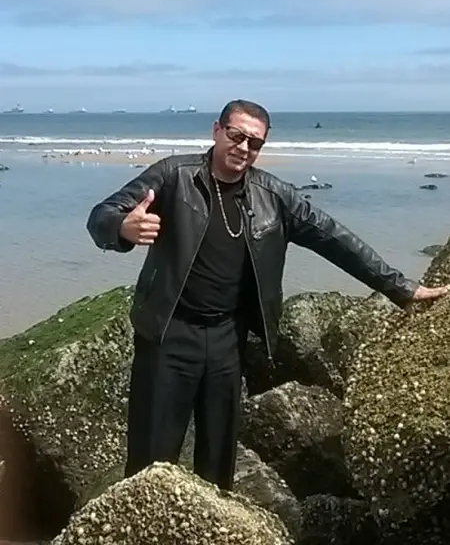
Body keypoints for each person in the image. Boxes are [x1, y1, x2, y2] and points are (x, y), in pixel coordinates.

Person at [86, 99, 449, 491]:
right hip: (168, 334)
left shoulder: (273, 196)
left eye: (255, 143)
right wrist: (122, 228)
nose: (243, 147)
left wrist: (400, 287)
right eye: (236, 135)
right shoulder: (174, 176)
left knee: (218, 466)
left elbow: (336, 239)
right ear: (217, 131)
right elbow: (101, 214)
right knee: (150, 464)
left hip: (228, 339)